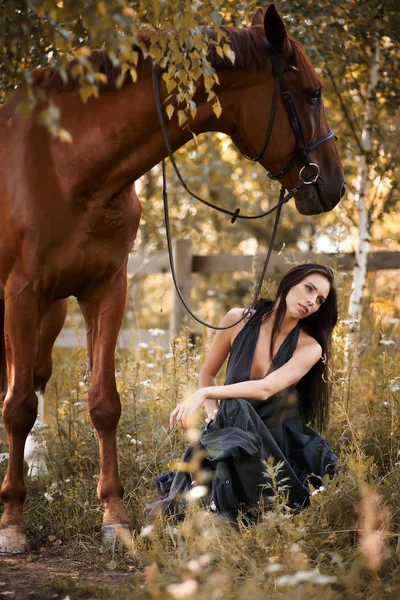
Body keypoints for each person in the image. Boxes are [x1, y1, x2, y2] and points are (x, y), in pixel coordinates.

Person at [145, 264, 339, 522]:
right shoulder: (237, 320)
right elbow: (207, 373)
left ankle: (241, 505)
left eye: (319, 300)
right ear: (289, 282)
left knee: (236, 405)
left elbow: (265, 388)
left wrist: (204, 393)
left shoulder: (309, 347)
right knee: (230, 416)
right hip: (228, 431)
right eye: (308, 288)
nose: (311, 301)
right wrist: (213, 415)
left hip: (271, 439)